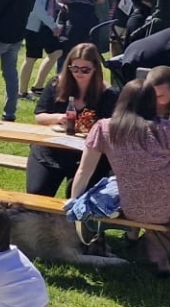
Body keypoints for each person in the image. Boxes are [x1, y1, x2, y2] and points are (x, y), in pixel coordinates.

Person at [71, 67, 170, 272]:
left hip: (134, 206)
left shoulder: (103, 128)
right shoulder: (164, 127)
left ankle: (159, 256)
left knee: (144, 204)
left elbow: (83, 171)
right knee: (164, 205)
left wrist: (74, 202)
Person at [26, 42, 116, 197]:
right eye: (74, 68)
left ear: (95, 69)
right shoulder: (56, 84)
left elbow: (113, 128)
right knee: (37, 192)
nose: (79, 73)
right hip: (52, 150)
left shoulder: (108, 94)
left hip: (87, 155)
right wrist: (58, 117)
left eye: (85, 69)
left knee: (78, 196)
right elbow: (39, 116)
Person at [20, 0, 63, 94]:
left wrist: (60, 6)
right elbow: (37, 6)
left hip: (44, 23)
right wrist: (53, 25)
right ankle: (22, 91)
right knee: (31, 58)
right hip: (35, 24)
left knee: (56, 52)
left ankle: (37, 86)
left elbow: (48, 2)